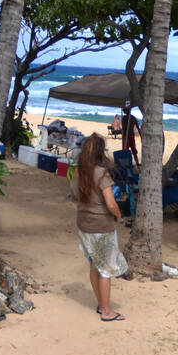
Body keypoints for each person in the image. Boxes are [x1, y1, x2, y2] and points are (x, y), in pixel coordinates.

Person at [72, 134, 127, 322]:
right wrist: (118, 215)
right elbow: (111, 203)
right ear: (100, 151)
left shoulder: (79, 171)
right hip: (100, 225)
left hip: (83, 223)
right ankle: (106, 311)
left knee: (94, 264)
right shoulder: (101, 173)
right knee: (105, 269)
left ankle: (100, 304)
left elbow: (73, 195)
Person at [120, 102, 140, 166]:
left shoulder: (124, 118)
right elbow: (138, 128)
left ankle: (125, 164)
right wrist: (141, 135)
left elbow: (123, 129)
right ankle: (137, 163)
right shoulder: (133, 118)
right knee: (134, 151)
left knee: (125, 151)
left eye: (124, 110)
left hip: (126, 136)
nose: (123, 111)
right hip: (131, 136)